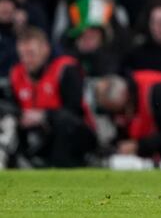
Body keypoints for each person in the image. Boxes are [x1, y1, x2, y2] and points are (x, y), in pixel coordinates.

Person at [7, 26, 96, 167]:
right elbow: (13, 105)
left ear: (45, 49)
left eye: (31, 54)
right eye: (22, 55)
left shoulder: (65, 69)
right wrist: (19, 115)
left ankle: (62, 166)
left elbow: (74, 110)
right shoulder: (16, 74)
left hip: (74, 133)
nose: (26, 60)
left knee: (63, 121)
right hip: (35, 131)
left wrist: (44, 115)